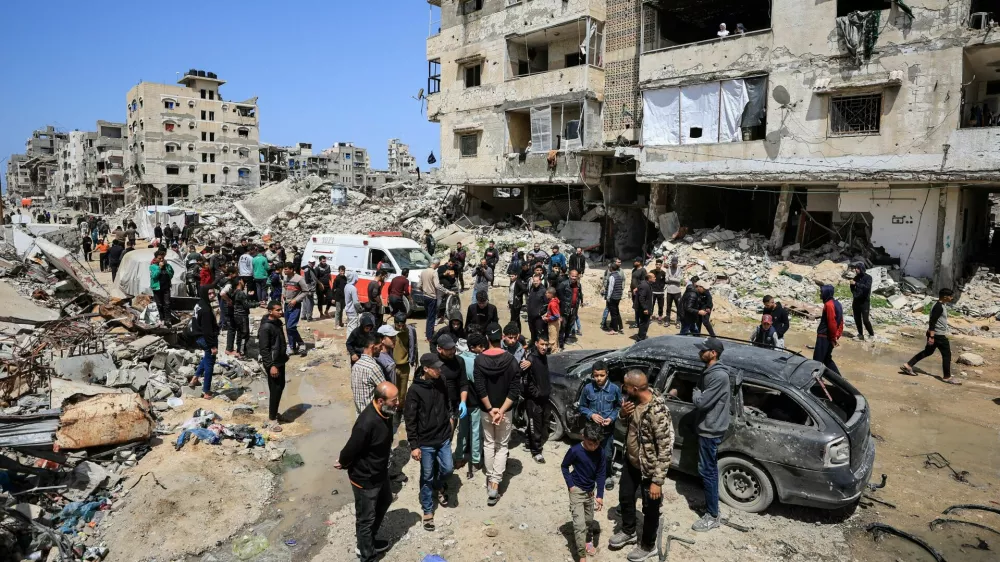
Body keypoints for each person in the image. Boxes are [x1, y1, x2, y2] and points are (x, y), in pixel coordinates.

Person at [609, 370, 674, 560]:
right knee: (625, 497)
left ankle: (648, 546)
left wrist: (657, 481)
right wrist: (621, 414)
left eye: (626, 386)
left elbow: (665, 448)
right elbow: (624, 426)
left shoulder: (657, 411)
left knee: (650, 509)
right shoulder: (634, 402)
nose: (623, 388)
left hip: (649, 470)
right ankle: (629, 531)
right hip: (631, 461)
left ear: (635, 388)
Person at [336, 382, 398, 562]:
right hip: (365, 478)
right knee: (366, 518)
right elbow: (351, 448)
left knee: (385, 500)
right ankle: (367, 555)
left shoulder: (387, 413)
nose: (397, 403)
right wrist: (343, 462)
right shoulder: (366, 422)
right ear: (380, 400)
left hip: (380, 472)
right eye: (394, 400)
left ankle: (368, 541)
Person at [405, 351, 456, 531]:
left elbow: (448, 401)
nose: (439, 370)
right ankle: (427, 509)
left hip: (443, 437)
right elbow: (410, 419)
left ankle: (439, 485)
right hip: (425, 442)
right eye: (435, 368)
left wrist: (450, 418)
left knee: (448, 468)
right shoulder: (415, 390)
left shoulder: (441, 381)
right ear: (426, 369)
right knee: (426, 475)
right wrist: (414, 446)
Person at [474, 322, 522, 506]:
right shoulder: (511, 360)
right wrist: (501, 411)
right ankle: (495, 484)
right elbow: (514, 389)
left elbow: (479, 387)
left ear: (487, 338)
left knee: (488, 443)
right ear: (501, 337)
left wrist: (490, 408)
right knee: (502, 445)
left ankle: (490, 479)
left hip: (487, 411)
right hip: (505, 411)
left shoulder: (479, 360)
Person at [688, 337, 732, 532]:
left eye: (704, 350)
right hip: (707, 426)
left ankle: (713, 515)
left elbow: (701, 402)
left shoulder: (718, 376)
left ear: (713, 353)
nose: (700, 352)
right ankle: (710, 507)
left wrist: (696, 391)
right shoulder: (709, 371)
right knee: (707, 469)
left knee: (708, 471)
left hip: (710, 429)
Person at [562, 423, 607, 562]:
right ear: (583, 437)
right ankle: (581, 555)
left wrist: (599, 495)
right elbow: (564, 466)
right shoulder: (575, 451)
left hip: (590, 492)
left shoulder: (600, 452)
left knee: (588, 520)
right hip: (576, 490)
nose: (593, 447)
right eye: (590, 444)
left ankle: (587, 540)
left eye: (596, 444)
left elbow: (601, 474)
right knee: (579, 525)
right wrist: (570, 485)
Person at [578, 359, 623, 488]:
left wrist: (611, 418)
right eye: (596, 375)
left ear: (607, 374)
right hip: (591, 429)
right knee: (591, 453)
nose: (598, 378)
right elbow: (581, 407)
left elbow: (618, 407)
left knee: (607, 455)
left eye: (602, 375)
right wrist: (591, 415)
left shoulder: (614, 389)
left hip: (607, 431)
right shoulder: (588, 388)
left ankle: (607, 476)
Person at [902, 288, 960, 384]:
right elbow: (932, 321)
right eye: (950, 296)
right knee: (947, 355)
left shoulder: (939, 305)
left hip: (934, 334)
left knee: (928, 352)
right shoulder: (938, 307)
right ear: (945, 297)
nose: (952, 298)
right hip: (938, 335)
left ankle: (909, 365)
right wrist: (932, 337)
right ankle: (947, 377)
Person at [455, 332, 485, 473]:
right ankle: (475, 460)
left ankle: (459, 457)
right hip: (475, 403)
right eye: (481, 346)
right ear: (474, 347)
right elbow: (479, 383)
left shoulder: (459, 358)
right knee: (476, 433)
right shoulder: (478, 361)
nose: (483, 348)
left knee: (462, 431)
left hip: (462, 402)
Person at [258, 301, 289, 431]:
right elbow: (264, 349)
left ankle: (274, 413)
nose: (281, 312)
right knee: (275, 388)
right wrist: (271, 366)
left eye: (281, 309)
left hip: (279, 360)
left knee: (280, 386)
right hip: (273, 363)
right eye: (277, 310)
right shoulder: (266, 327)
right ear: (270, 311)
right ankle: (272, 420)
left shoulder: (277, 323)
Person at [523, 336, 552, 463]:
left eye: (546, 344)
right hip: (534, 400)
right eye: (542, 344)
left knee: (538, 422)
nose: (544, 347)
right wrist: (536, 393)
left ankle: (529, 442)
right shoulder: (531, 359)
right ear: (536, 343)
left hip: (543, 398)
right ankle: (536, 452)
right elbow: (525, 380)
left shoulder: (543, 356)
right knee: (536, 425)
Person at [189, 286, 220, 400]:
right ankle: (206, 391)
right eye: (210, 293)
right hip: (206, 338)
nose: (212, 295)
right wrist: (212, 345)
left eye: (213, 293)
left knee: (206, 358)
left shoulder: (200, 304)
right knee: (210, 364)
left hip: (199, 337)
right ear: (204, 294)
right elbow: (207, 330)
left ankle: (195, 378)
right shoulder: (206, 310)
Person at [351, 333, 386, 414]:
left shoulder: (356, 365)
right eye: (380, 346)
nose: (381, 349)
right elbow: (385, 391)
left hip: (359, 414)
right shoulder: (373, 367)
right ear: (373, 347)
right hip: (371, 416)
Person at [814, 285, 844, 375]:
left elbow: (832, 322)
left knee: (816, 362)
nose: (820, 294)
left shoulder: (829, 305)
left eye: (821, 292)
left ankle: (815, 383)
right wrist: (836, 335)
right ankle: (839, 380)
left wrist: (832, 338)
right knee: (827, 359)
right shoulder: (837, 304)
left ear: (826, 293)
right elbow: (841, 322)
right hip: (829, 337)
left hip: (824, 337)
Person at [282, 262, 310, 357]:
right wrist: (283, 294)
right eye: (284, 269)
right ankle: (292, 347)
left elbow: (305, 291)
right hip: (286, 305)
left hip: (295, 305)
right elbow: (284, 287)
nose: (284, 271)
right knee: (288, 327)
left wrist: (296, 300)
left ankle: (301, 343)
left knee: (291, 326)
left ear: (291, 269)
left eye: (286, 269)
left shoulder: (299, 279)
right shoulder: (285, 278)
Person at [391, 313, 419, 406]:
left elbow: (413, 347)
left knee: (402, 393)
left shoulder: (410, 331)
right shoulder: (389, 331)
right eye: (398, 325)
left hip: (404, 366)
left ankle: (400, 410)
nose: (401, 327)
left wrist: (414, 361)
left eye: (403, 325)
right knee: (392, 392)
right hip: (392, 367)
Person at [557, 270, 583, 348]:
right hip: (564, 309)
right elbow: (559, 296)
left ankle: (566, 338)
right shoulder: (563, 284)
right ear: (569, 275)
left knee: (570, 324)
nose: (574, 278)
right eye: (572, 276)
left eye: (575, 276)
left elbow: (580, 294)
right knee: (563, 325)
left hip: (574, 308)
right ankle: (560, 342)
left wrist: (581, 301)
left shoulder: (578, 285)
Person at [850, 263, 875, 341]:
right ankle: (860, 334)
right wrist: (853, 287)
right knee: (857, 319)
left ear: (861, 269)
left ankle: (871, 334)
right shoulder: (856, 278)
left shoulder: (868, 278)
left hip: (864, 302)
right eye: (855, 268)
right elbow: (852, 288)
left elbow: (867, 288)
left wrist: (856, 284)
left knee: (865, 320)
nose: (856, 270)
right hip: (856, 301)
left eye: (857, 268)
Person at [230, 278, 253, 357]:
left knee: (239, 334)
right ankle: (242, 353)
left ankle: (239, 351)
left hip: (237, 316)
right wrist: (258, 303)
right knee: (245, 335)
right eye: (243, 281)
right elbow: (246, 305)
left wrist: (248, 296)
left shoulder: (234, 292)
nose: (244, 283)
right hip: (242, 316)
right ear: (240, 281)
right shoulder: (240, 293)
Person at [149, 252, 173, 325]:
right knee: (159, 304)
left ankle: (168, 319)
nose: (161, 260)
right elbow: (154, 276)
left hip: (166, 287)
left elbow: (171, 274)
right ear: (156, 259)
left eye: (162, 258)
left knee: (167, 303)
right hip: (157, 288)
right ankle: (161, 318)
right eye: (159, 258)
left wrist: (167, 267)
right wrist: (159, 268)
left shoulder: (167, 266)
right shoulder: (153, 267)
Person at [420, 259, 442, 340]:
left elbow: (419, 285)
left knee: (428, 316)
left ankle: (430, 333)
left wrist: (425, 290)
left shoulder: (423, 272)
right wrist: (447, 291)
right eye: (438, 265)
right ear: (436, 264)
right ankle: (429, 337)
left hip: (425, 297)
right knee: (431, 317)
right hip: (432, 297)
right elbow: (437, 285)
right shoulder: (434, 272)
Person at [526, 273, 548, 343]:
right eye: (534, 281)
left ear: (540, 281)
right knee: (532, 332)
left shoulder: (543, 291)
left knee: (539, 333)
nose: (535, 282)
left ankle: (539, 346)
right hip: (530, 315)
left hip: (538, 317)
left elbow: (546, 304)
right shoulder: (532, 289)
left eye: (537, 281)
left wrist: (540, 312)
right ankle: (533, 343)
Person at [604, 261, 625, 335]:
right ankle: (621, 327)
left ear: (611, 268)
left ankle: (615, 329)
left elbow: (610, 288)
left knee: (613, 314)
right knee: (617, 312)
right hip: (618, 297)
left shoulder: (612, 276)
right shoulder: (618, 275)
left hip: (613, 297)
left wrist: (608, 297)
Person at [634, 272, 654, 341]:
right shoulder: (644, 285)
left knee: (645, 323)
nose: (655, 278)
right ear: (649, 278)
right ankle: (640, 339)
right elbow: (641, 298)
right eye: (653, 277)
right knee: (644, 324)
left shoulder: (646, 284)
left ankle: (642, 337)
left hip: (645, 307)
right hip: (643, 309)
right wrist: (645, 308)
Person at [543, 287, 562, 352]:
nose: (545, 294)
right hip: (555, 322)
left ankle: (553, 353)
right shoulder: (553, 301)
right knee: (555, 338)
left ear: (551, 294)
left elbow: (556, 316)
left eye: (547, 293)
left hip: (553, 324)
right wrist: (546, 314)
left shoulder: (552, 304)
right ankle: (556, 350)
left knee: (552, 340)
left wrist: (547, 318)